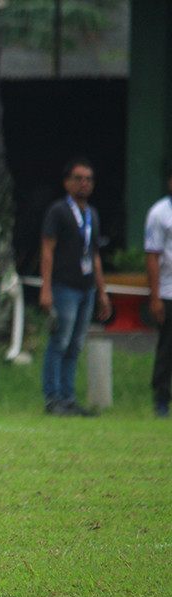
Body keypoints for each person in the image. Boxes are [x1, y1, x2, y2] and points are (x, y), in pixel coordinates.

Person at [39, 157, 111, 416]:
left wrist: (102, 291)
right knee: (60, 341)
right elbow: (47, 249)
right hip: (64, 286)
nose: (84, 183)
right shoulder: (58, 211)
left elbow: (94, 255)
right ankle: (53, 398)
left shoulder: (92, 214)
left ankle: (68, 398)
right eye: (78, 178)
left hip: (86, 287)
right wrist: (46, 287)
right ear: (66, 182)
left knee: (76, 345)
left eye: (88, 179)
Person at [145, 165, 172, 418]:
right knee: (167, 348)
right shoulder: (159, 213)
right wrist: (155, 297)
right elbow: (152, 256)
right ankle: (161, 400)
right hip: (168, 291)